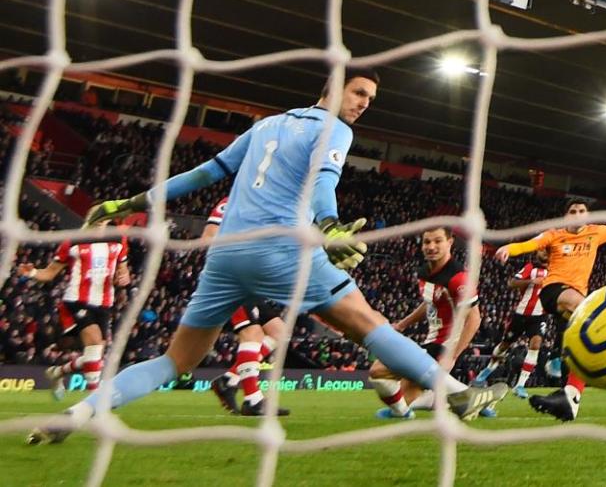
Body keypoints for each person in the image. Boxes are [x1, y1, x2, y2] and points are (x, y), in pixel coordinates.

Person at [28, 69, 504, 445]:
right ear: (334, 86)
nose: (362, 105)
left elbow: (203, 173)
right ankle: (458, 395)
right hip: (279, 251)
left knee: (175, 361)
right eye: (358, 93)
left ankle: (80, 412)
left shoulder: (267, 125)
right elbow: (323, 181)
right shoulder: (334, 131)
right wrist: (330, 225)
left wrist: (135, 202)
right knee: (367, 322)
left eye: (369, 100)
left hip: (226, 258)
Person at [495, 200, 606, 421]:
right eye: (573, 211)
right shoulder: (554, 234)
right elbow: (529, 244)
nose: (577, 215)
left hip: (574, 298)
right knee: (586, 309)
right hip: (553, 291)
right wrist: (508, 248)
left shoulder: (596, 232)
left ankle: (568, 399)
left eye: (582, 211)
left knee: (574, 348)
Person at [369, 227, 503, 419]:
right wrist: (402, 324)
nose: (431, 247)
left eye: (438, 241)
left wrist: (453, 354)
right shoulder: (425, 272)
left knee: (379, 370)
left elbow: (474, 318)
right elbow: (429, 302)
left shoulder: (458, 278)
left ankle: (404, 412)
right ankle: (473, 400)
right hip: (430, 341)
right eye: (427, 242)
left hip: (444, 346)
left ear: (450, 242)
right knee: (407, 397)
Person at [17, 223, 131, 400]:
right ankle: (96, 400)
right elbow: (49, 273)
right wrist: (31, 273)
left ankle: (57, 372)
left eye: (104, 220)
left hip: (104, 303)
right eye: (97, 219)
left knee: (94, 355)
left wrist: (123, 277)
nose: (101, 223)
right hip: (77, 300)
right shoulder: (72, 241)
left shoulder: (119, 239)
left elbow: (123, 271)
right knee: (93, 341)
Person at [203, 196, 290, 416]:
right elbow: (209, 237)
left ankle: (229, 379)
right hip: (230, 277)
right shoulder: (231, 201)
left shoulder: (268, 206)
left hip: (251, 282)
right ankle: (253, 399)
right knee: (252, 334)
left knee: (280, 332)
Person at [471, 249, 549, 399]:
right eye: (542, 250)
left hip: (540, 316)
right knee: (504, 345)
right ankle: (485, 373)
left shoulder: (556, 271)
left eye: (548, 250)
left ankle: (520, 385)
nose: (545, 253)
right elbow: (512, 282)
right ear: (537, 252)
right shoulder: (530, 268)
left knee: (535, 346)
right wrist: (531, 281)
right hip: (521, 314)